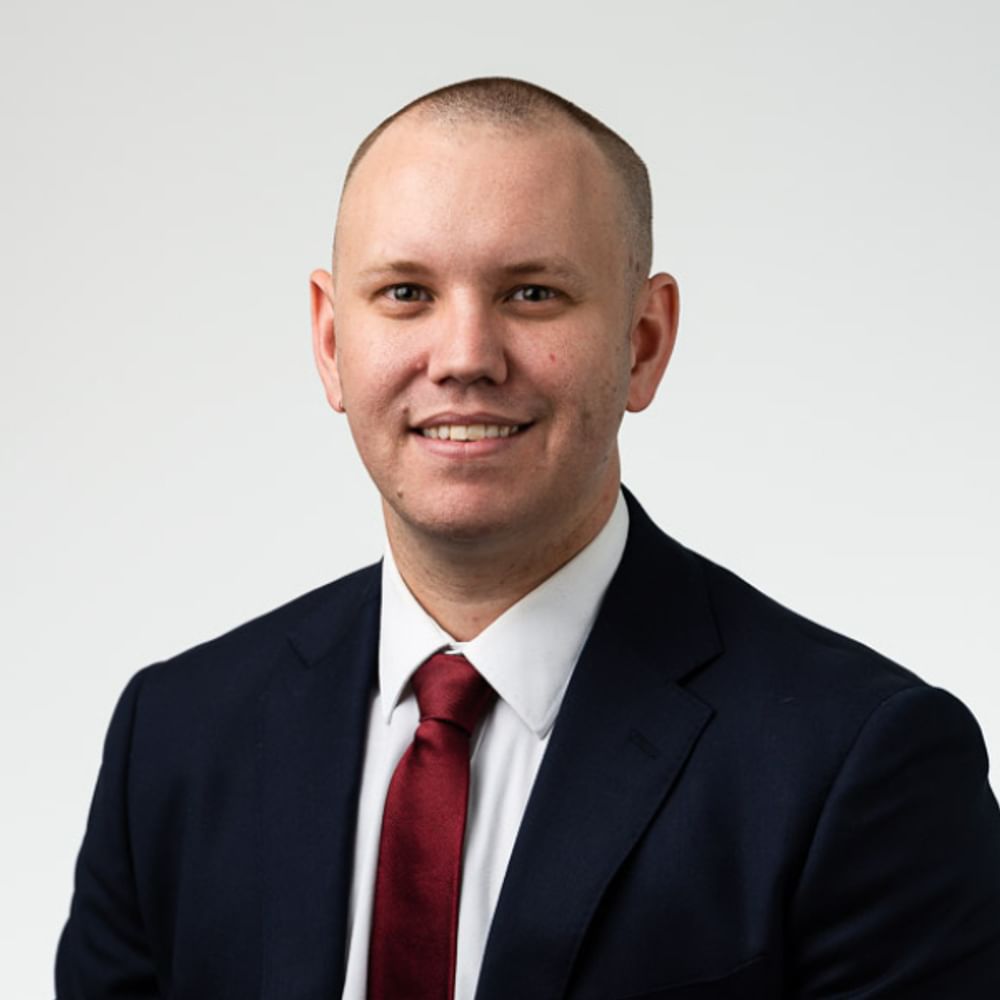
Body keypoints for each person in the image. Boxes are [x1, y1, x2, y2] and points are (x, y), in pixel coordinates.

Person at [56, 77, 1000, 999]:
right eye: (406, 292)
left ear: (643, 342)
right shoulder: (172, 738)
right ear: (332, 341)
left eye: (533, 293)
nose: (465, 357)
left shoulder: (861, 763)